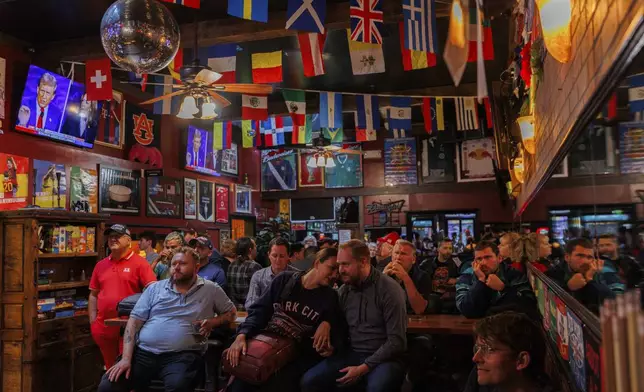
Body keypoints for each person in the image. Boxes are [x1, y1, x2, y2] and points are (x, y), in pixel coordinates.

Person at [97, 247, 237, 392]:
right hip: (144, 353)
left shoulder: (210, 289)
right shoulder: (155, 289)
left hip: (182, 355)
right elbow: (134, 322)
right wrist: (126, 359)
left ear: (196, 267)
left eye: (182, 263)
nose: (176, 267)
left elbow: (232, 313)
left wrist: (214, 322)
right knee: (108, 385)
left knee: (178, 386)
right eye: (173, 264)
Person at [226, 248, 341, 392]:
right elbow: (259, 311)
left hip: (294, 358)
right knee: (240, 381)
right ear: (317, 263)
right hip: (263, 346)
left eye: (339, 271)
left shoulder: (330, 297)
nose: (335, 274)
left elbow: (335, 333)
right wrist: (242, 335)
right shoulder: (285, 280)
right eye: (332, 268)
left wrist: (328, 332)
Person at [300, 240, 407, 392]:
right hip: (352, 354)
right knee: (309, 381)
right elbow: (336, 324)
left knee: (377, 388)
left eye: (345, 264)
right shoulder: (344, 291)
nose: (340, 270)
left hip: (384, 359)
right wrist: (327, 327)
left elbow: (397, 342)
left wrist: (363, 368)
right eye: (339, 265)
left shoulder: (389, 290)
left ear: (363, 262)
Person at [89, 224, 157, 369]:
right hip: (103, 327)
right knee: (109, 368)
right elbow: (93, 294)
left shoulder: (140, 263)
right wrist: (93, 322)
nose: (113, 239)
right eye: (110, 236)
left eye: (117, 236)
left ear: (128, 240)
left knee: (127, 369)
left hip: (128, 327)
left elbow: (153, 292)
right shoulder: (100, 265)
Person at [464, 312, 554, 392]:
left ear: (521, 361)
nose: (475, 358)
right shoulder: (479, 377)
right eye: (477, 348)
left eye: (488, 349)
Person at [456, 241, 537, 319]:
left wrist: (503, 288)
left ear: (499, 258)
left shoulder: (513, 274)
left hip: (507, 326)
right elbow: (465, 309)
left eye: (488, 257)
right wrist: (480, 281)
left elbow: (529, 305)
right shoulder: (467, 275)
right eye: (479, 259)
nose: (483, 263)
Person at [546, 238, 624, 313]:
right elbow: (550, 304)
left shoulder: (602, 270)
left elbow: (616, 302)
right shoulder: (553, 274)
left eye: (589, 257)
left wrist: (590, 280)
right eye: (580, 256)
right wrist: (568, 287)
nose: (585, 261)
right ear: (567, 257)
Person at [383, 240, 434, 315]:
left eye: (403, 254)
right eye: (396, 253)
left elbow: (419, 309)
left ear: (413, 259)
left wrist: (405, 277)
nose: (398, 257)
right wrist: (382, 278)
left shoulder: (422, 276)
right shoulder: (385, 274)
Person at [245, 238, 297, 309]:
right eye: (274, 256)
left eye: (281, 256)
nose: (278, 260)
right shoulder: (258, 276)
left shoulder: (296, 276)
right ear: (269, 255)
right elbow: (250, 304)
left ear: (288, 256)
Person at [419, 238, 462, 313]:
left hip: (450, 299)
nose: (448, 251)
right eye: (445, 248)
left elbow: (466, 276)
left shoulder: (456, 262)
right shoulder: (427, 263)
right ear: (438, 249)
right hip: (431, 297)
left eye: (450, 248)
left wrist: (457, 280)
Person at [228, 237, 262, 309]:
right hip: (251, 309)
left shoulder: (231, 265)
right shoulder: (254, 266)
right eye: (255, 246)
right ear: (250, 250)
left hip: (235, 308)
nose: (256, 249)